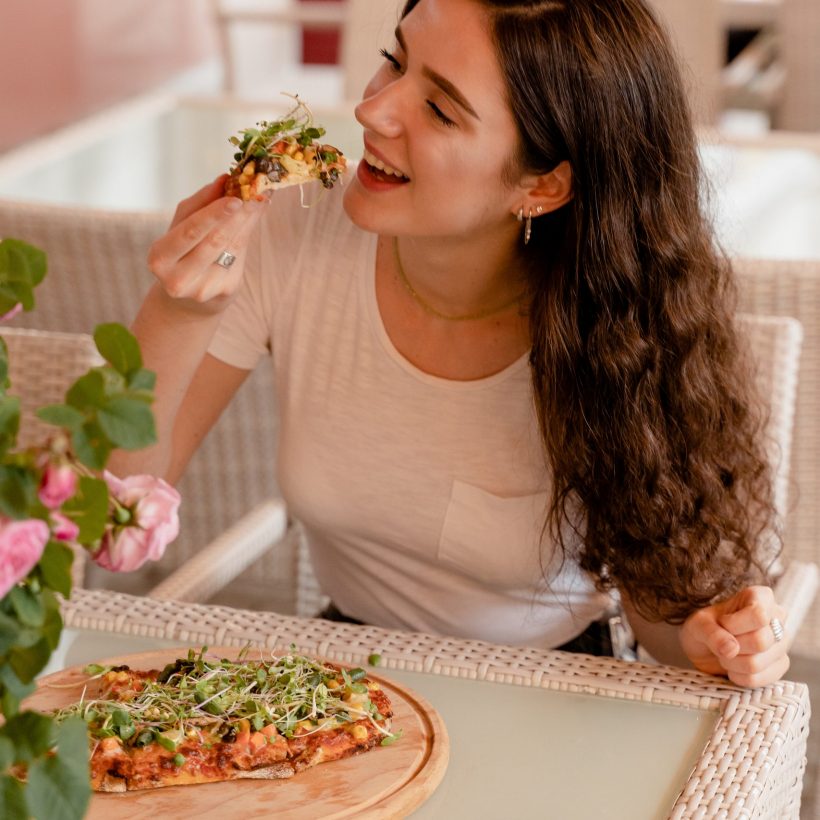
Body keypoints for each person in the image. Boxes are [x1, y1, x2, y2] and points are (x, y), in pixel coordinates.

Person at [112, 0, 790, 687]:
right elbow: (113, 526)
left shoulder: (618, 328)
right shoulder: (294, 233)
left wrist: (709, 638)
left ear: (543, 183)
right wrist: (176, 316)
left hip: (544, 687)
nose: (373, 111)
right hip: (336, 680)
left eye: (440, 110)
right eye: (395, 61)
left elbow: (659, 621)